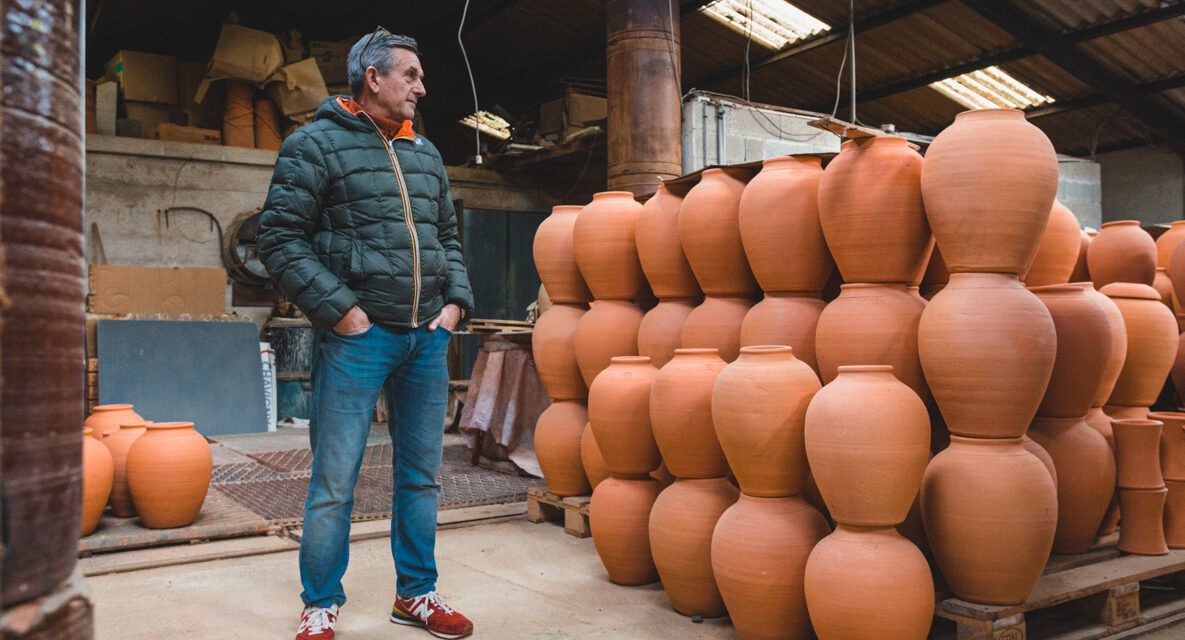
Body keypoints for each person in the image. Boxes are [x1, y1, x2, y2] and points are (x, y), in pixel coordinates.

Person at [257, 28, 475, 640]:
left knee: (422, 476)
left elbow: (447, 240)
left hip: (426, 338)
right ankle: (320, 604)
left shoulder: (425, 154)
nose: (420, 86)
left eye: (419, 75)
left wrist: (455, 304)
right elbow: (279, 239)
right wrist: (342, 313)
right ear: (372, 78)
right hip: (358, 337)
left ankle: (418, 595)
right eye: (409, 74)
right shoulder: (313, 145)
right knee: (335, 478)